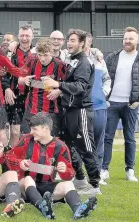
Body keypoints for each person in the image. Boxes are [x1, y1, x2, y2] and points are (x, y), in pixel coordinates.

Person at [6, 112, 98, 220]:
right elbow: (8, 157)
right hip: (25, 188)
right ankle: (43, 207)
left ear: (45, 128)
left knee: (68, 184)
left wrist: (64, 170)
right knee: (28, 178)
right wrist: (20, 163)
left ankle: (78, 210)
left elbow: (69, 175)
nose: (31, 132)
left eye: (35, 129)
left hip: (47, 188)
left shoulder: (60, 146)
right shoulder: (27, 140)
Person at [42, 29, 101, 195]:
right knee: (68, 146)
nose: (69, 43)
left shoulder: (83, 62)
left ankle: (95, 185)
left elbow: (81, 87)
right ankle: (80, 179)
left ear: (82, 43)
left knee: (85, 147)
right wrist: (61, 89)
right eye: (69, 40)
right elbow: (71, 85)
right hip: (69, 110)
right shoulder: (73, 60)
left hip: (80, 110)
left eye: (73, 40)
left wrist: (58, 84)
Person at [103, 27, 139, 182]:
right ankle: (104, 169)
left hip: (130, 105)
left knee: (130, 138)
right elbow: (102, 78)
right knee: (107, 138)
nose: (127, 41)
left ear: (137, 41)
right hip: (111, 103)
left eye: (131, 39)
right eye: (125, 38)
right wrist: (104, 97)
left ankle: (130, 170)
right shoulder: (112, 57)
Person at [18, 38, 66, 136]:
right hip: (31, 109)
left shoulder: (60, 65)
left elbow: (69, 85)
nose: (42, 58)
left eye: (45, 55)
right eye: (40, 55)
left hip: (51, 111)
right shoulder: (31, 60)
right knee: (27, 140)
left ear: (52, 53)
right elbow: (19, 79)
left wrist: (59, 91)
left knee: (50, 143)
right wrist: (24, 80)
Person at [84, 33, 111, 185]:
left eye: (87, 40)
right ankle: (80, 174)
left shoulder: (99, 59)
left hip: (99, 106)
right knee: (81, 142)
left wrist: (104, 93)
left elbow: (107, 79)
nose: (84, 43)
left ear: (91, 41)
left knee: (99, 140)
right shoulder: (72, 57)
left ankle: (97, 173)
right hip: (81, 107)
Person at [3, 25, 35, 147]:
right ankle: (13, 159)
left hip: (33, 98)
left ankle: (29, 159)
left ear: (32, 37)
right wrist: (7, 88)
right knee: (15, 132)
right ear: (18, 37)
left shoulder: (37, 53)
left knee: (32, 132)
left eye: (27, 35)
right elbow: (3, 74)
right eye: (22, 35)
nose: (24, 38)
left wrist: (27, 82)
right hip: (14, 97)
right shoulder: (11, 53)